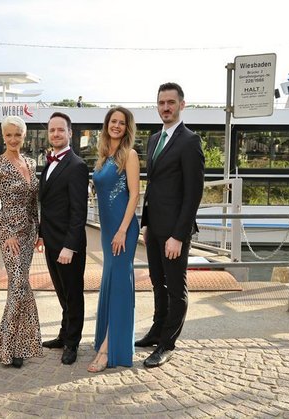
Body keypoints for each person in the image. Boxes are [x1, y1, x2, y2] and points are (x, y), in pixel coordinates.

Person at [138, 82, 205, 368]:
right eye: (162, 103)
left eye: (171, 102)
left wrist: (178, 235)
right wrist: (146, 224)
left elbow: (194, 193)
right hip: (154, 228)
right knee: (157, 282)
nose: (166, 107)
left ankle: (167, 344)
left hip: (174, 232)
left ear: (181, 105)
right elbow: (153, 186)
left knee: (176, 288)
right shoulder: (154, 139)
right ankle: (156, 331)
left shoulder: (190, 141)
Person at [0, 115, 43, 368]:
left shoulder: (30, 163)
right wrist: (7, 232)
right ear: (3, 136)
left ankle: (20, 345)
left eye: (17, 135)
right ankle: (9, 347)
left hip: (29, 232)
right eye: (8, 135)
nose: (13, 139)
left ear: (24, 136)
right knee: (18, 284)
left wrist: (38, 232)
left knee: (20, 286)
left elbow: (33, 202)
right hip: (9, 234)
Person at [88, 107, 140, 372]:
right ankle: (108, 341)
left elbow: (134, 195)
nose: (116, 125)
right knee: (111, 282)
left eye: (121, 122)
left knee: (119, 285)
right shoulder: (103, 156)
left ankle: (108, 349)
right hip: (108, 229)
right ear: (107, 125)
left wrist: (122, 230)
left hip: (123, 230)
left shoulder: (129, 155)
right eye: (113, 121)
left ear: (127, 127)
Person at [37, 112, 89, 365]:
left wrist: (70, 246)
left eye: (60, 130)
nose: (56, 134)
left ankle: (72, 343)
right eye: (52, 130)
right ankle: (63, 334)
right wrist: (41, 234)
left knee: (73, 293)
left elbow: (79, 211)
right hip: (51, 240)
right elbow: (47, 204)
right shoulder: (49, 163)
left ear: (70, 132)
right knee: (61, 292)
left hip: (68, 244)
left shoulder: (77, 165)